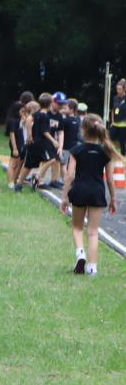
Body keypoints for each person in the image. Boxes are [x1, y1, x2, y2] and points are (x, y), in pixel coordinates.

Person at [62, 113, 119, 276]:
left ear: (83, 129)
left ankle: (80, 253)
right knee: (93, 231)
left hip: (79, 190)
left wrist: (64, 197)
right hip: (97, 192)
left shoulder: (76, 150)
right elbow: (110, 179)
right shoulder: (105, 152)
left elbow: (70, 175)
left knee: (77, 227)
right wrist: (114, 198)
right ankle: (92, 267)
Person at [111, 79, 126, 152]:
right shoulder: (115, 98)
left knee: (122, 143)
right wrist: (112, 121)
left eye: (120, 89)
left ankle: (123, 159)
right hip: (115, 124)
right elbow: (113, 110)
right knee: (109, 139)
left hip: (124, 125)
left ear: (124, 89)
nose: (118, 91)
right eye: (117, 89)